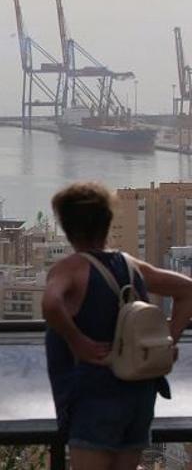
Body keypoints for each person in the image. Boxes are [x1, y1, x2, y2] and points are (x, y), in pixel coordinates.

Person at [43, 181, 192, 470]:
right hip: (138, 393)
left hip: (93, 395)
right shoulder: (131, 265)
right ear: (108, 222)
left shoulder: (70, 268)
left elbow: (50, 304)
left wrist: (77, 341)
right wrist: (169, 340)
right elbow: (187, 290)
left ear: (65, 224)